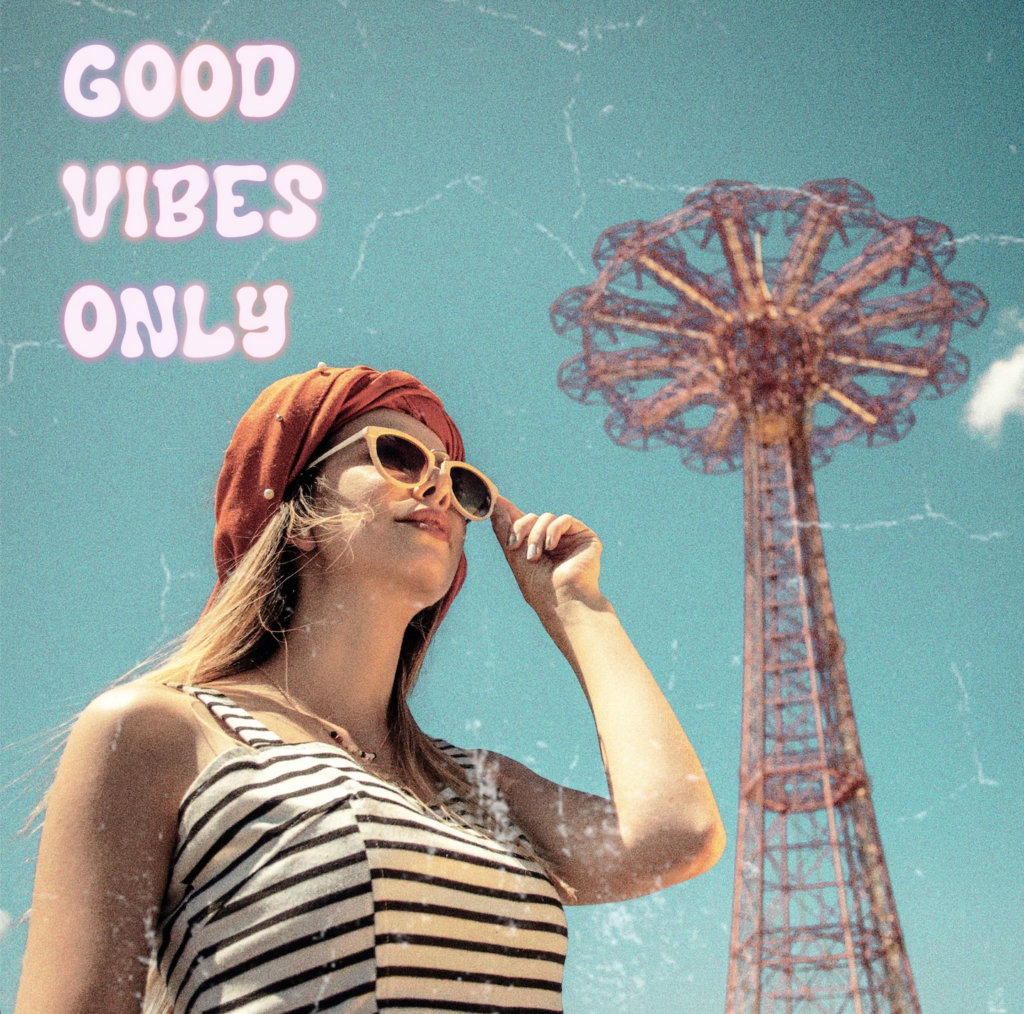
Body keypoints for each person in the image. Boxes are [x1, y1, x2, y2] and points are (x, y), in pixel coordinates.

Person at [15, 364, 726, 1014]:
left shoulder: (477, 786)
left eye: (458, 481)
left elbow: (678, 836)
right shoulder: (162, 732)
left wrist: (576, 606)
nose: (436, 488)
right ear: (295, 517)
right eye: (398, 455)